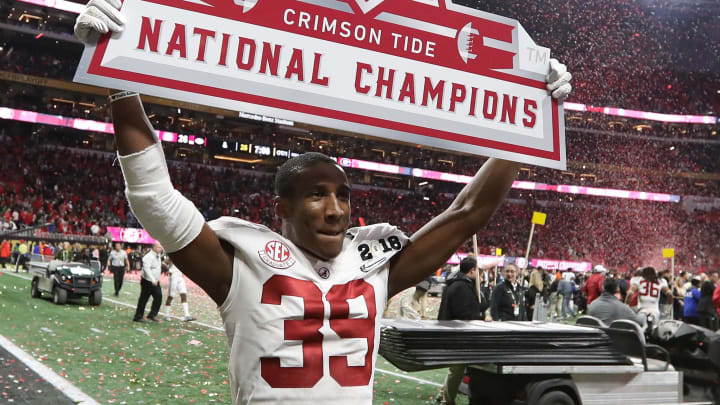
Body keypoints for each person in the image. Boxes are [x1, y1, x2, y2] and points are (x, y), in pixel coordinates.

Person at [73, 1, 572, 402]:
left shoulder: (373, 266)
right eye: (317, 195)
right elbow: (154, 196)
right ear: (281, 209)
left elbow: (468, 214)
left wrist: (530, 117)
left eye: (343, 195)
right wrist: (117, 77)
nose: (336, 209)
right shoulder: (239, 266)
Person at [436, 256, 489, 405]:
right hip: (459, 335)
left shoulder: (456, 283)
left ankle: (443, 394)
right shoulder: (462, 287)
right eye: (477, 271)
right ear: (472, 270)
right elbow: (464, 312)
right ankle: (447, 400)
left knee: (455, 368)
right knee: (457, 369)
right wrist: (478, 314)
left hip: (452, 333)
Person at [133, 243, 166, 323]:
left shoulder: (158, 255)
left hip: (155, 281)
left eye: (161, 247)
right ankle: (138, 316)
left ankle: (152, 315)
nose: (160, 249)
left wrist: (157, 278)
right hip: (147, 281)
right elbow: (146, 269)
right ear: (154, 247)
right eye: (159, 247)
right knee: (144, 299)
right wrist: (152, 279)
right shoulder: (148, 257)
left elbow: (157, 267)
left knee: (158, 297)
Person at [163, 258, 197, 322]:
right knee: (171, 296)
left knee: (184, 294)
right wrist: (168, 270)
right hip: (173, 277)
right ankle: (166, 315)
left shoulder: (181, 257)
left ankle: (187, 315)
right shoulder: (172, 257)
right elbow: (163, 263)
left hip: (180, 277)